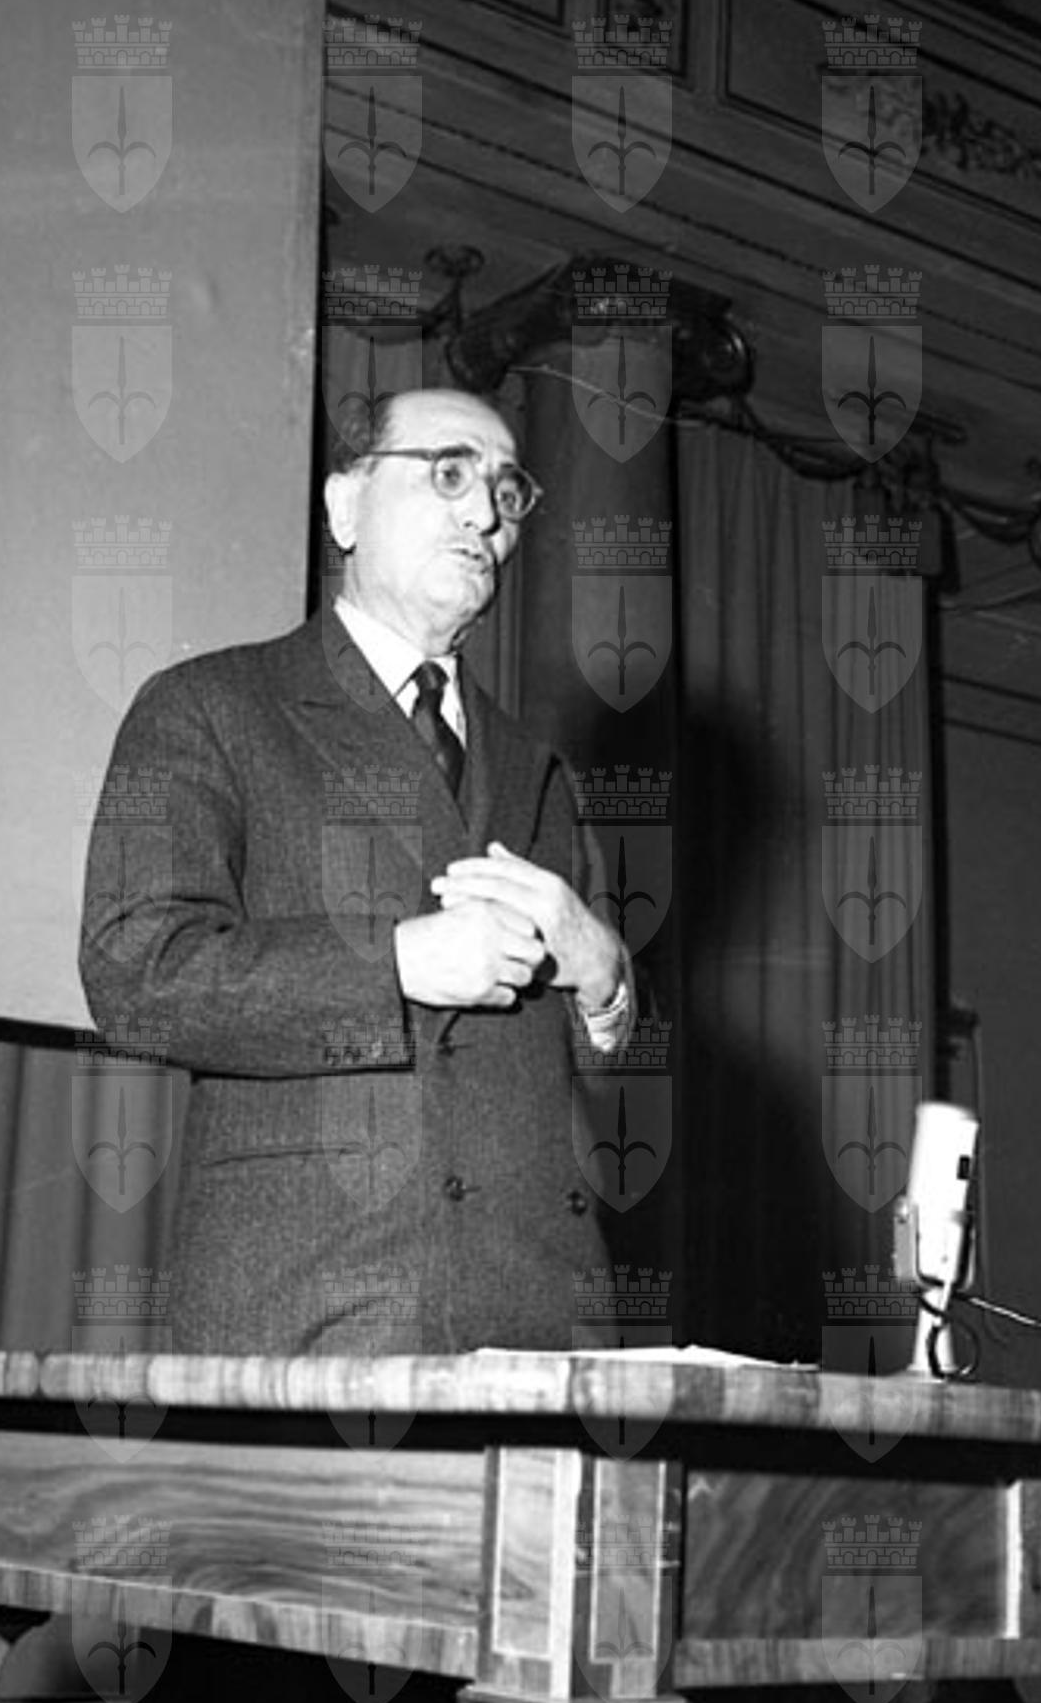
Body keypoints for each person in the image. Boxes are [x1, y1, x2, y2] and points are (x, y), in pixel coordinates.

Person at [79, 386, 634, 1358]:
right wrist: (396, 963)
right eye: (449, 473)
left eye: (506, 490)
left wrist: (604, 976)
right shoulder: (211, 705)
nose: (484, 513)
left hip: (542, 1321)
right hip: (309, 1307)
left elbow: (597, 1079)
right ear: (345, 507)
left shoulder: (536, 768)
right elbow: (136, 972)